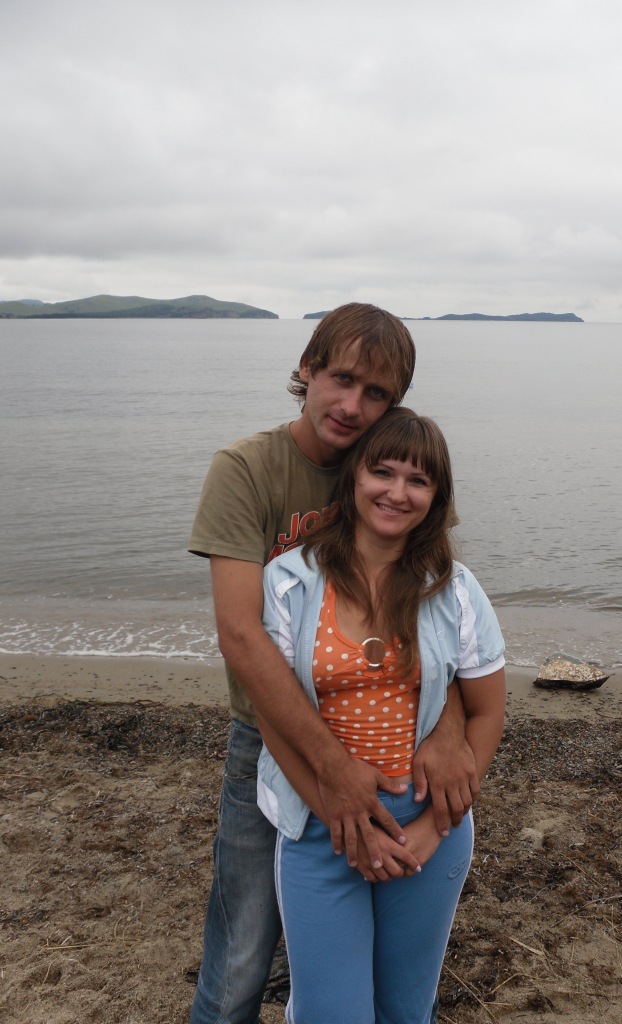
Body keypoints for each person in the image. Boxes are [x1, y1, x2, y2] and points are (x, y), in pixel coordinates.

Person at [187, 304, 480, 1024]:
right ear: (307, 370)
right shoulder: (247, 469)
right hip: (272, 738)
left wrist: (448, 727)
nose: (352, 406)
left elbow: (436, 613)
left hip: (389, 746)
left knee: (366, 953)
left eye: (376, 393)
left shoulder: (385, 470)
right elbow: (241, 636)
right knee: (245, 949)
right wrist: (331, 769)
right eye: (341, 379)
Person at [257, 408, 507, 1024]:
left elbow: (487, 712)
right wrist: (341, 819)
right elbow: (275, 720)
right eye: (383, 472)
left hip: (429, 828)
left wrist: (436, 828)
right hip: (321, 829)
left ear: (437, 497)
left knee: (405, 1009)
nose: (397, 492)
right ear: (354, 477)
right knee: (330, 1012)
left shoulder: (454, 589)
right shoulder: (289, 581)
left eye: (418, 480)